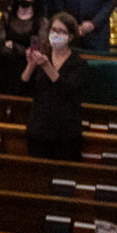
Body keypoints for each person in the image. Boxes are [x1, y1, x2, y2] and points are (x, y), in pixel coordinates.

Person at [21, 12, 88, 160]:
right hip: (39, 130)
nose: (56, 34)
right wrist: (31, 65)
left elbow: (67, 91)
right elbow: (24, 87)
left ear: (70, 37)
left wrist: (46, 66)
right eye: (53, 30)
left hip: (66, 134)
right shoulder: (42, 56)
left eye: (61, 31)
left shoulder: (78, 64)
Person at [0, 0, 42, 72]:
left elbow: (34, 52)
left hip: (27, 70)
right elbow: (0, 45)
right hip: (5, 68)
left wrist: (14, 45)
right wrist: (23, 50)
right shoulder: (6, 17)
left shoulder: (38, 22)